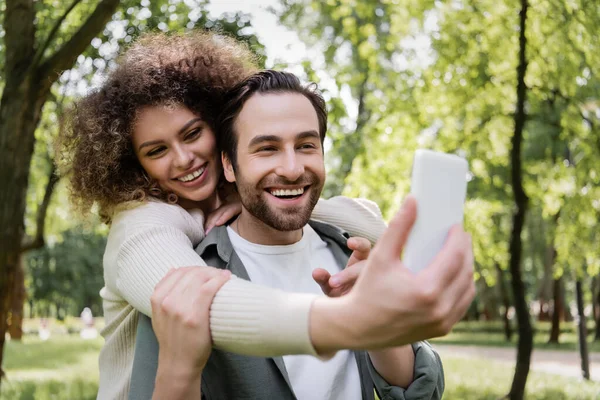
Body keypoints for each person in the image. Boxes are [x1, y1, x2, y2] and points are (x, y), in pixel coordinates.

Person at [57, 32, 389, 400]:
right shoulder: (139, 224)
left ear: (219, 129)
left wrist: (258, 196)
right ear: (135, 166)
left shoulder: (228, 197)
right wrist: (356, 318)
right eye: (157, 151)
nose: (183, 159)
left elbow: (371, 224)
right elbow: (214, 308)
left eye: (193, 133)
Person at [128, 70, 475, 400]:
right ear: (229, 166)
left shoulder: (353, 255)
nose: (293, 169)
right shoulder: (186, 282)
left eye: (307, 145)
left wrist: (381, 328)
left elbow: (419, 393)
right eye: (267, 149)